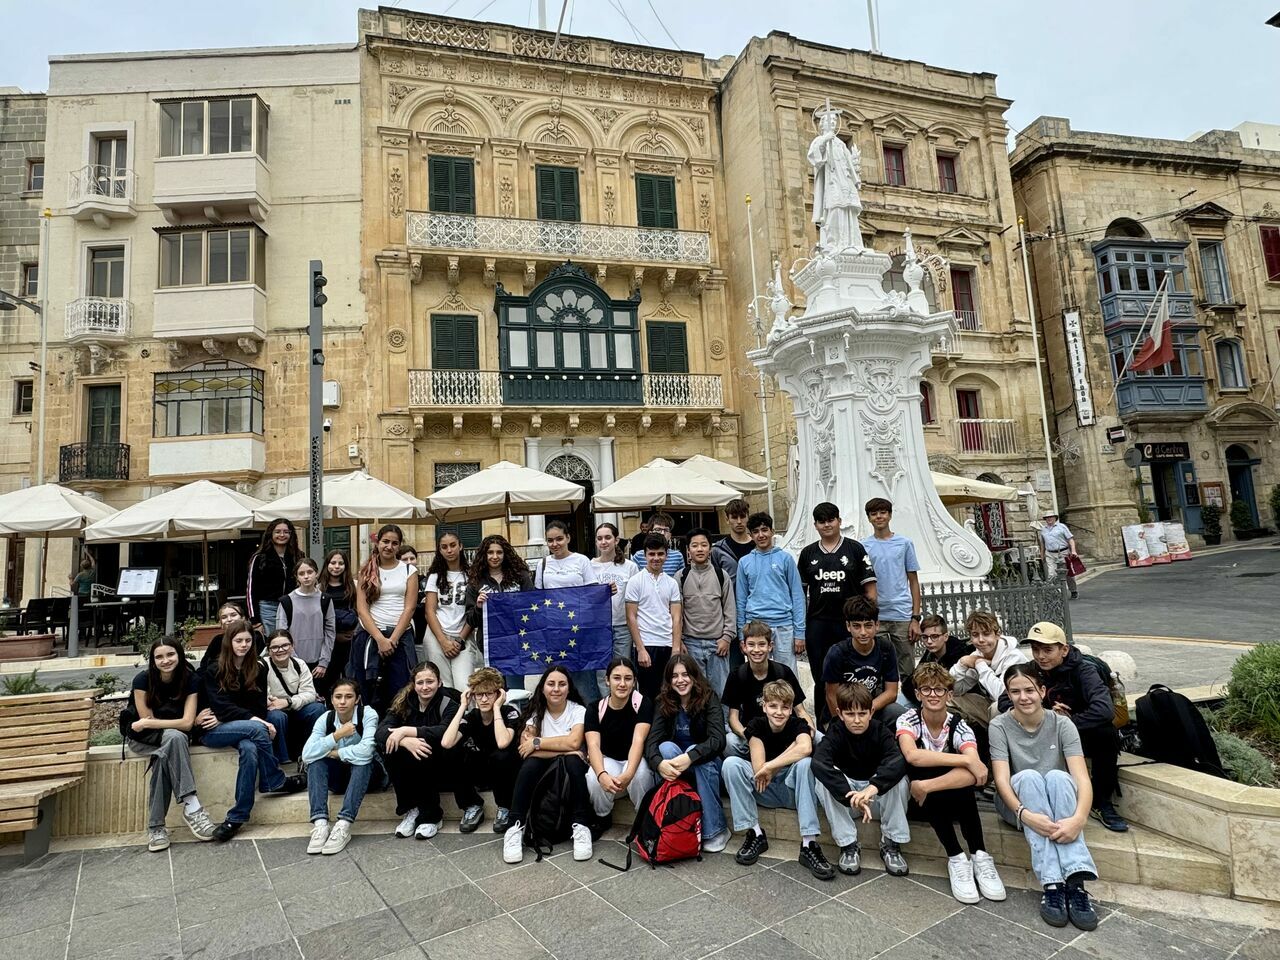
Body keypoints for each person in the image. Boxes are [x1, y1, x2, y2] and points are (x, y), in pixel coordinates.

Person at [990, 663, 1100, 931]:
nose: (1023, 697)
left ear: (1042, 691)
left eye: (1029, 690)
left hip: (1059, 805)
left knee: (1059, 777)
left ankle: (1075, 881)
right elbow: (1002, 780)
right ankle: (1052, 883)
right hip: (1017, 806)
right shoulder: (999, 725)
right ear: (1008, 694)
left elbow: (1081, 778)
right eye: (1015, 692)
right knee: (1029, 777)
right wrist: (1025, 814)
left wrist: (1079, 819)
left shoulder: (1062, 724)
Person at [895, 662, 1006, 904]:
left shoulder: (959, 725)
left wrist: (928, 786)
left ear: (950, 694)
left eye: (939, 689)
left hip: (931, 793)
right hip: (918, 802)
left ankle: (979, 855)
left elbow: (976, 775)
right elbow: (912, 756)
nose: (933, 695)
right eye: (926, 689)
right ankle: (956, 857)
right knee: (932, 768)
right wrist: (966, 760)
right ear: (918, 694)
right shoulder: (908, 720)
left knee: (955, 781)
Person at [195, 618, 305, 841]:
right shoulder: (215, 668)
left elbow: (257, 706)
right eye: (239, 641)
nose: (244, 645)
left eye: (248, 641)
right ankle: (274, 780)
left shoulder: (258, 668)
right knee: (257, 730)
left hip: (237, 726)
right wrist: (256, 721)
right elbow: (220, 705)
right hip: (211, 729)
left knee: (250, 748)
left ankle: (236, 818)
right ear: (229, 642)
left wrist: (237, 717)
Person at [1022, 622, 1128, 832]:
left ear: (1064, 650)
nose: (1041, 656)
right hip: (1044, 730)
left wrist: (1068, 722)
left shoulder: (1084, 671)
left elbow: (1104, 710)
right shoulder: (1031, 670)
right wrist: (1045, 714)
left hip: (1080, 733)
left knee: (1105, 733)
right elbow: (1006, 700)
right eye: (1035, 649)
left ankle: (1101, 802)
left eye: (1047, 650)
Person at [724, 679, 834, 880]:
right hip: (764, 788)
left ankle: (809, 844)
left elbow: (805, 748)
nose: (779, 712)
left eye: (785, 707)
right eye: (773, 706)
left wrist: (771, 765)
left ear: (791, 709)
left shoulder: (798, 724)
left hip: (794, 791)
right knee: (731, 764)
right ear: (764, 706)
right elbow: (759, 769)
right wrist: (786, 753)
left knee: (805, 764)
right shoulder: (756, 725)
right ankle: (755, 833)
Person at [124, 637, 217, 851]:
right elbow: (150, 725)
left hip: (170, 739)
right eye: (159, 657)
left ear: (179, 655)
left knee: (165, 755)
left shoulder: (191, 679)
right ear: (153, 660)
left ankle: (156, 828)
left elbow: (185, 723)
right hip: (143, 739)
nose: (165, 660)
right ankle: (192, 806)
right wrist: (172, 723)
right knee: (174, 738)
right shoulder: (142, 680)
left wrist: (154, 722)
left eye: (170, 654)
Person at [812, 682, 911, 877]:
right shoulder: (836, 731)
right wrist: (850, 796)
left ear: (871, 712)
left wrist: (872, 788)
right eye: (850, 714)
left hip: (876, 801)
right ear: (840, 714)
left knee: (900, 779)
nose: (857, 720)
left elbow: (897, 761)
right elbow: (819, 762)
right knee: (822, 781)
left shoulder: (881, 731)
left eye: (862, 713)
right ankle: (848, 844)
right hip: (850, 803)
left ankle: (891, 842)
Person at [503, 665, 594, 864]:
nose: (556, 689)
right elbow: (524, 749)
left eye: (562, 684)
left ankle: (581, 825)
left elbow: (574, 742)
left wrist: (538, 743)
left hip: (570, 769)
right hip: (544, 768)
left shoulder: (578, 710)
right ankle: (514, 826)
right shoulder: (536, 712)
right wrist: (564, 749)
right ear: (543, 688)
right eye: (551, 684)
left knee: (573, 761)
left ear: (569, 688)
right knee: (530, 766)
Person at [798, 502, 877, 725]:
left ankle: (856, 720)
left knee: (852, 674)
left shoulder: (855, 549)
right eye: (822, 521)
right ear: (815, 525)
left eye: (831, 520)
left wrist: (868, 620)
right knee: (822, 677)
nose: (827, 525)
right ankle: (826, 725)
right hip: (818, 624)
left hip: (849, 624)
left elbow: (870, 589)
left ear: (839, 521)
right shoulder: (808, 554)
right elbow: (799, 594)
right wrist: (800, 628)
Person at [644, 654, 730, 853]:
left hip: (708, 768)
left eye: (685, 674)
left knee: (695, 752)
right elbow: (652, 742)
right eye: (675, 676)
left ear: (694, 676)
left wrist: (691, 757)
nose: (680, 680)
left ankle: (716, 830)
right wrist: (659, 764)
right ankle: (669, 819)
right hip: (677, 769)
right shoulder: (664, 701)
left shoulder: (709, 697)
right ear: (669, 680)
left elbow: (718, 739)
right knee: (665, 749)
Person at [377, 661, 464, 840]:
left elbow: (443, 731)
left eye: (430, 682)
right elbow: (381, 731)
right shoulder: (404, 702)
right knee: (392, 747)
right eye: (420, 682)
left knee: (422, 747)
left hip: (444, 764)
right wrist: (406, 741)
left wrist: (405, 731)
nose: (425, 687)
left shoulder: (449, 701)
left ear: (439, 682)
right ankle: (412, 810)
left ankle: (432, 817)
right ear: (413, 684)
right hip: (413, 765)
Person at [440, 666, 521, 833]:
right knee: (450, 751)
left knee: (501, 755)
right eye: (479, 694)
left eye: (489, 694)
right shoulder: (472, 716)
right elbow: (446, 742)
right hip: (481, 771)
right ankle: (472, 805)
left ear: (498, 694)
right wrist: (463, 706)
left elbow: (502, 742)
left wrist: (497, 708)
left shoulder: (509, 712)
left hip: (505, 773)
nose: (484, 699)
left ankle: (505, 807)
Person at [302, 678, 378, 855]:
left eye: (348, 696)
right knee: (315, 761)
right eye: (338, 697)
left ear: (357, 699)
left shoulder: (368, 714)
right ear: (332, 699)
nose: (342, 701)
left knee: (362, 762)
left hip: (368, 777)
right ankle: (320, 824)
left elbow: (367, 751)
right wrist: (337, 735)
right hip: (339, 779)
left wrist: (335, 753)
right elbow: (307, 754)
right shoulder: (326, 718)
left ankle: (343, 824)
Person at [352, 524, 419, 715]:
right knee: (368, 688)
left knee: (401, 688)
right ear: (378, 543)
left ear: (399, 546)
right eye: (385, 541)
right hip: (370, 636)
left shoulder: (409, 571)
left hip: (400, 636)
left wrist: (393, 639)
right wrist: (380, 639)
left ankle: (397, 726)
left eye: (394, 543)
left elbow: (410, 608)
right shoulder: (366, 571)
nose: (389, 546)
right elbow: (362, 609)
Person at [584, 656, 656, 829]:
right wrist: (602, 774)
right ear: (607, 680)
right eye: (617, 678)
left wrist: (629, 774)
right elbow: (593, 745)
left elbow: (638, 740)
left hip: (634, 760)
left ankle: (644, 819)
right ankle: (602, 816)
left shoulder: (643, 703)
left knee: (640, 775)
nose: (622, 684)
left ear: (634, 681)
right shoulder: (595, 708)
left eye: (628, 678)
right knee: (593, 777)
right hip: (610, 760)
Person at [533, 519, 600, 700]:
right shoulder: (542, 564)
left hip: (579, 630)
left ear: (568, 538)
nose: (555, 544)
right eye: (550, 540)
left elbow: (593, 594)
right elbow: (538, 597)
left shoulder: (582, 560)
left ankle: (590, 715)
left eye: (559, 539)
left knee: (584, 680)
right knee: (557, 678)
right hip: (553, 632)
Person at [722, 621, 810, 758]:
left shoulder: (783, 672)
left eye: (762, 644)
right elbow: (733, 717)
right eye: (751, 644)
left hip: (784, 734)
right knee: (729, 742)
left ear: (770, 646)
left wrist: (809, 731)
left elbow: (800, 711)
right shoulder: (737, 675)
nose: (757, 650)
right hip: (753, 734)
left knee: (817, 738)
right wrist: (748, 735)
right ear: (744, 647)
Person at [735, 512, 806, 673]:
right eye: (756, 531)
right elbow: (741, 600)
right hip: (755, 626)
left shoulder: (786, 559)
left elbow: (797, 596)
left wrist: (800, 633)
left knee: (786, 674)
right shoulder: (744, 562)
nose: (761, 535)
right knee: (757, 674)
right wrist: (741, 634)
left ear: (772, 531)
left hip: (784, 626)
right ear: (750, 535)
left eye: (764, 530)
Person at [861, 498, 922, 681]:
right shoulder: (863, 546)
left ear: (889, 515)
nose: (879, 517)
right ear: (869, 518)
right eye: (874, 514)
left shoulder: (904, 543)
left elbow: (913, 581)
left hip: (902, 613)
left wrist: (915, 617)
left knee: (907, 669)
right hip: (876, 614)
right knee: (876, 666)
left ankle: (909, 698)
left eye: (883, 512)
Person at [464, 534, 534, 693]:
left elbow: (532, 606)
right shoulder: (476, 581)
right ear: (484, 555)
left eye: (499, 552)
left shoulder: (520, 576)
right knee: (496, 688)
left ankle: (517, 710)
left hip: (517, 641)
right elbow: (470, 619)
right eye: (490, 552)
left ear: (505, 554)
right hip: (491, 644)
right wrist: (479, 607)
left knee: (516, 689)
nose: (495, 556)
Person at [822, 596, 905, 728]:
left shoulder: (885, 648)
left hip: (872, 708)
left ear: (877, 625)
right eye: (857, 626)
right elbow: (831, 696)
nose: (863, 632)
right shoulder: (837, 653)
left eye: (868, 626)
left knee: (900, 714)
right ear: (848, 626)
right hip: (842, 713)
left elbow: (892, 692)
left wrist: (865, 711)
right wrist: (844, 723)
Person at [625, 533, 683, 699]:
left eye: (660, 554)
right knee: (648, 695)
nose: (656, 558)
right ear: (645, 555)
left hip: (667, 645)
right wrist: (640, 649)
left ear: (666, 555)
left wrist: (676, 648)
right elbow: (631, 617)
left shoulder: (672, 583)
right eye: (651, 554)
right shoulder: (635, 581)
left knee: (671, 694)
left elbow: (676, 618)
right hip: (646, 645)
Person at [679, 528, 736, 697]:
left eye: (704, 545)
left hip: (717, 645)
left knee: (721, 692)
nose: (699, 549)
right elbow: (676, 614)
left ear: (710, 548)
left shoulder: (721, 575)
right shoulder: (681, 576)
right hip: (690, 644)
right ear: (688, 550)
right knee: (695, 693)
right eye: (695, 545)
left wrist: (726, 637)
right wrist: (679, 641)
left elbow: (730, 609)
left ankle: (723, 717)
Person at [949, 610, 1028, 731]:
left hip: (1018, 708)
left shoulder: (1013, 657)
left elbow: (1002, 695)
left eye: (986, 634)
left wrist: (981, 666)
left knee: (997, 707)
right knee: (949, 699)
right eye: (975, 635)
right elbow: (955, 690)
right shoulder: (977, 655)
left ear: (997, 634)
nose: (981, 640)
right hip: (991, 706)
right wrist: (961, 664)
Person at [261, 629, 327, 765]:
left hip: (294, 707)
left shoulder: (299, 664)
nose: (280, 650)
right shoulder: (262, 665)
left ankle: (310, 752)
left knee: (317, 709)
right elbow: (264, 696)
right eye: (275, 647)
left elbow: (310, 693)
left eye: (285, 645)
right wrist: (276, 703)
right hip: (273, 711)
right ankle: (283, 759)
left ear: (292, 646)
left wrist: (288, 701)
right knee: (277, 716)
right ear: (269, 650)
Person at [591, 522, 639, 694]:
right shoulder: (589, 565)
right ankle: (606, 705)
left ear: (616, 540)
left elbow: (636, 598)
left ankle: (624, 705)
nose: (603, 542)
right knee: (602, 671)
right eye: (599, 538)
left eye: (607, 537)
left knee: (623, 669)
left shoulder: (630, 566)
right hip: (599, 628)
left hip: (622, 626)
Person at [423, 531, 475, 691]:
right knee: (442, 686)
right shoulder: (435, 576)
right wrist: (443, 641)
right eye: (444, 547)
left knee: (464, 687)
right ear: (439, 550)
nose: (449, 550)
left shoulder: (472, 575)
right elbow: (429, 611)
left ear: (461, 546)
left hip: (463, 635)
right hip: (436, 636)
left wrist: (460, 639)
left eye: (453, 545)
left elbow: (474, 612)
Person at [277, 558, 337, 697]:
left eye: (310, 572)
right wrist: (294, 662)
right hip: (293, 664)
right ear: (296, 577)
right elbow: (281, 635)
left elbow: (330, 632)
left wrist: (323, 662)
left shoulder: (325, 600)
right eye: (301, 573)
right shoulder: (286, 601)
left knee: (320, 700)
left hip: (319, 665)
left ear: (316, 573)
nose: (306, 576)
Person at [247, 518, 302, 635]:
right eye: (277, 532)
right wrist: (254, 619)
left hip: (293, 606)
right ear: (270, 534)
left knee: (294, 641)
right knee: (272, 641)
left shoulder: (298, 556)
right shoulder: (259, 558)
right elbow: (251, 590)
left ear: (291, 534)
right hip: (268, 608)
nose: (282, 535)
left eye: (286, 532)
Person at [901, 614, 970, 706]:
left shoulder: (959, 653)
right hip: (928, 698)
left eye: (934, 636)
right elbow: (912, 682)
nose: (929, 641)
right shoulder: (930, 654)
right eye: (925, 637)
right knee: (899, 702)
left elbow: (949, 687)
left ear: (945, 637)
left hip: (958, 699)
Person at [321, 550, 358, 700]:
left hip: (350, 639)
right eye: (333, 563)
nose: (336, 567)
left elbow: (360, 611)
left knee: (351, 677)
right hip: (328, 640)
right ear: (327, 564)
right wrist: (334, 636)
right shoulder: (319, 587)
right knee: (329, 678)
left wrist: (355, 631)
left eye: (341, 563)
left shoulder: (354, 586)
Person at [200, 601, 264, 670]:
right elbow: (204, 665)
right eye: (224, 617)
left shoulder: (255, 637)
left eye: (233, 615)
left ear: (243, 618)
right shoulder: (217, 640)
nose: (229, 619)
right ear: (221, 623)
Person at [1039, 512, 1081, 599]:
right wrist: (1042, 555)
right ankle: (1057, 592)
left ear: (1055, 518)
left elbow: (1070, 539)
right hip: (1050, 553)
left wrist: (1073, 551)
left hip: (1063, 553)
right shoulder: (1043, 530)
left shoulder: (1062, 527)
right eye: (1047, 517)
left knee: (1068, 574)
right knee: (1052, 574)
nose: (1049, 519)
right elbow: (1042, 544)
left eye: (1051, 517)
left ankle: (1073, 590)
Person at [399, 545, 430, 661]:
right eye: (405, 559)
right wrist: (420, 604)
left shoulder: (425, 581)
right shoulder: (397, 585)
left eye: (412, 558)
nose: (409, 562)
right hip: (404, 636)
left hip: (424, 636)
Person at [715, 498, 755, 564]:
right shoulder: (719, 549)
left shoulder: (757, 544)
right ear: (727, 520)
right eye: (734, 517)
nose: (739, 521)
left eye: (742, 517)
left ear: (748, 518)